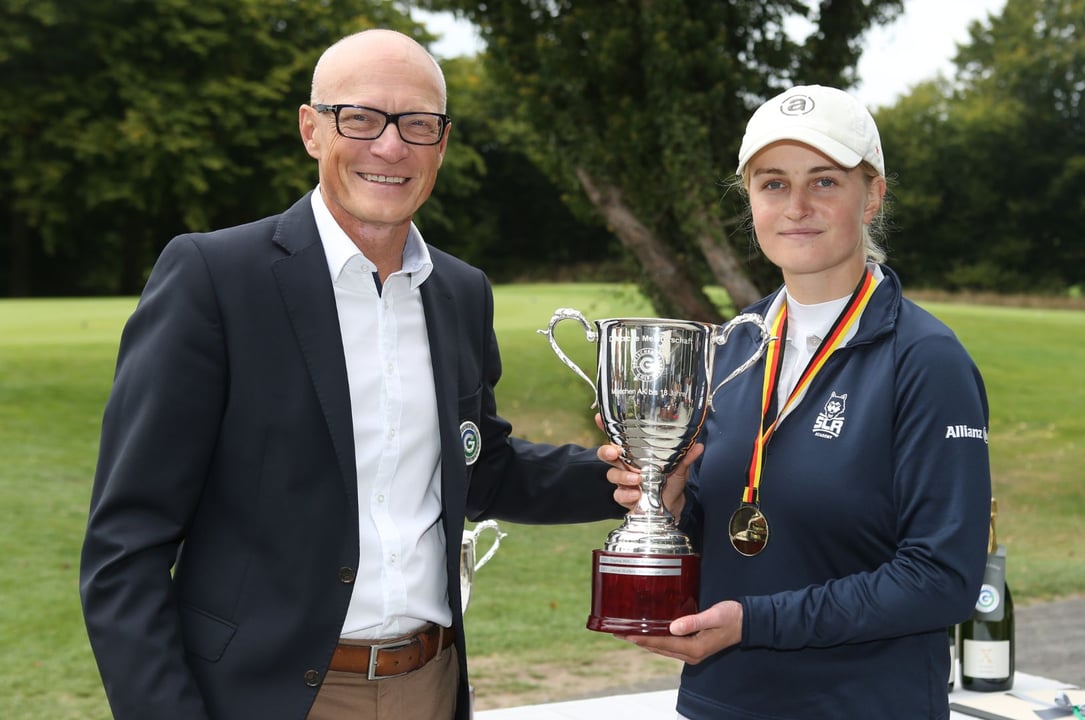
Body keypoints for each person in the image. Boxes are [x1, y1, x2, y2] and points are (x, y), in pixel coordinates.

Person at [79, 29, 651, 720]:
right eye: (360, 118)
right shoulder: (215, 279)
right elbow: (124, 550)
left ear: (441, 142)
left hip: (432, 685)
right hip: (268, 698)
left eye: (417, 124)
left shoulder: (460, 292)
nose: (390, 146)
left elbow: (482, 468)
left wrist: (624, 477)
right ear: (311, 130)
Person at [611, 85, 993, 719]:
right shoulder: (730, 347)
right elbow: (729, 533)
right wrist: (670, 501)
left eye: (823, 182)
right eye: (772, 184)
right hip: (724, 702)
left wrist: (753, 623)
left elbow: (942, 580)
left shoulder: (926, 359)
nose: (796, 207)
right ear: (751, 199)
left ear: (872, 195)